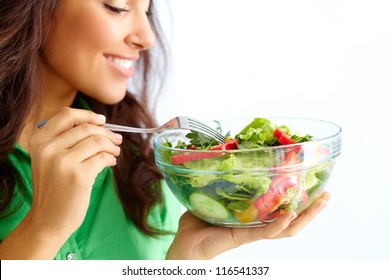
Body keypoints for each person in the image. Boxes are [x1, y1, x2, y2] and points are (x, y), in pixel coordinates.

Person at [0, 0, 330, 260]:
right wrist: (44, 229)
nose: (146, 38)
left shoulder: (140, 170)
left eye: (147, 9)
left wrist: (185, 260)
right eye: (118, 7)